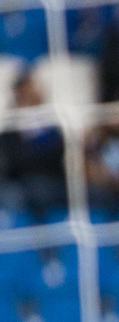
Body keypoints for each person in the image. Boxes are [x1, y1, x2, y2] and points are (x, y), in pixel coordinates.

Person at [0, 75, 67, 216]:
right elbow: (13, 161)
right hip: (22, 183)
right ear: (20, 92)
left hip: (53, 181)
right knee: (13, 195)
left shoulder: (52, 125)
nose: (34, 92)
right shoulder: (10, 129)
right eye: (29, 88)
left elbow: (59, 154)